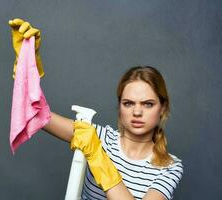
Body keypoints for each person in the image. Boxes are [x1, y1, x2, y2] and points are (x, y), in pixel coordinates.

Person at [9, 18, 183, 200]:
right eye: (128, 103)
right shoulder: (98, 138)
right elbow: (37, 115)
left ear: (163, 108)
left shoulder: (169, 167)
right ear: (119, 107)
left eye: (148, 104)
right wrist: (27, 67)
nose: (137, 112)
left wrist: (98, 156)